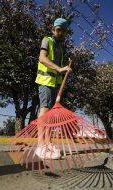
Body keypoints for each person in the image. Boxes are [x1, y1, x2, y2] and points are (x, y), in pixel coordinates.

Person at [35, 18, 71, 159]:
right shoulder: (47, 40)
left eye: (63, 31)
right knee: (44, 110)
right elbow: (42, 59)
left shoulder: (61, 48)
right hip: (45, 81)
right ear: (53, 30)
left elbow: (60, 69)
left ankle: (48, 143)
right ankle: (40, 146)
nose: (60, 33)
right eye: (58, 30)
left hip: (55, 84)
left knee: (50, 114)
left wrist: (65, 70)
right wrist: (59, 68)